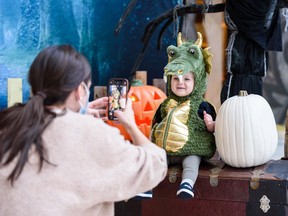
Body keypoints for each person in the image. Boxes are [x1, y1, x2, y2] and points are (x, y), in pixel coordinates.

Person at [0, 45, 167, 216]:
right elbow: (156, 165)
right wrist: (131, 125)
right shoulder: (94, 134)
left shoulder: (8, 125)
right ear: (81, 90)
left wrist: (74, 116)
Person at [150, 32, 216, 199]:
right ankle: (146, 185)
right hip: (167, 150)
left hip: (191, 149)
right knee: (156, 160)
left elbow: (216, 128)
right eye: (176, 79)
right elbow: (155, 123)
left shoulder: (202, 106)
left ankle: (187, 184)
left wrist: (211, 125)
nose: (180, 83)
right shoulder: (165, 104)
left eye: (186, 79)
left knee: (192, 162)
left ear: (197, 82)